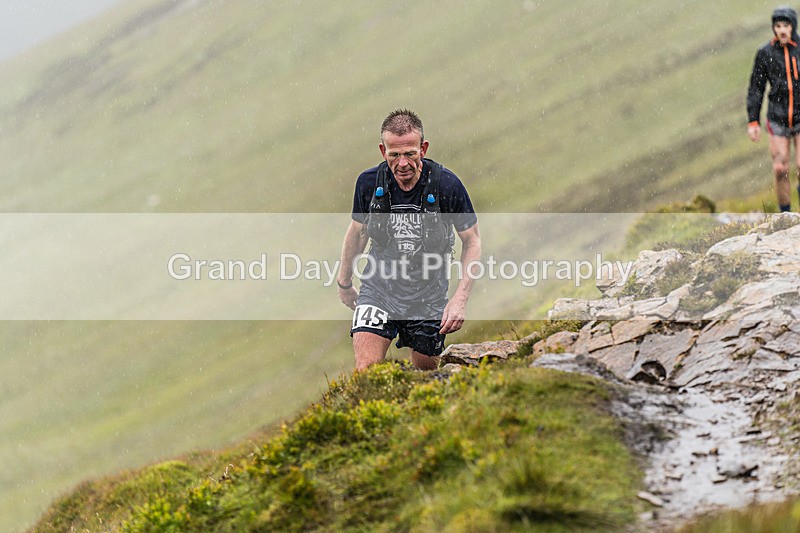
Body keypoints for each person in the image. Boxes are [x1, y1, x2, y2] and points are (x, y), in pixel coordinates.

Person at [336, 109, 481, 371]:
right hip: (378, 291)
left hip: (428, 296)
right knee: (366, 370)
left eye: (410, 154)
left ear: (423, 148)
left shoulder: (447, 185)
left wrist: (460, 298)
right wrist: (344, 283)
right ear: (383, 151)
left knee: (427, 375)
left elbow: (472, 241)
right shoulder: (368, 183)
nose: (403, 164)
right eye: (394, 155)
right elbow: (357, 233)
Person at [747, 5, 800, 212]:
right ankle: (785, 215)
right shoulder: (765, 53)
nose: (782, 30)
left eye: (786, 25)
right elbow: (756, 88)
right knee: (780, 169)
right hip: (777, 118)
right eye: (778, 26)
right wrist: (753, 121)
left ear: (793, 26)